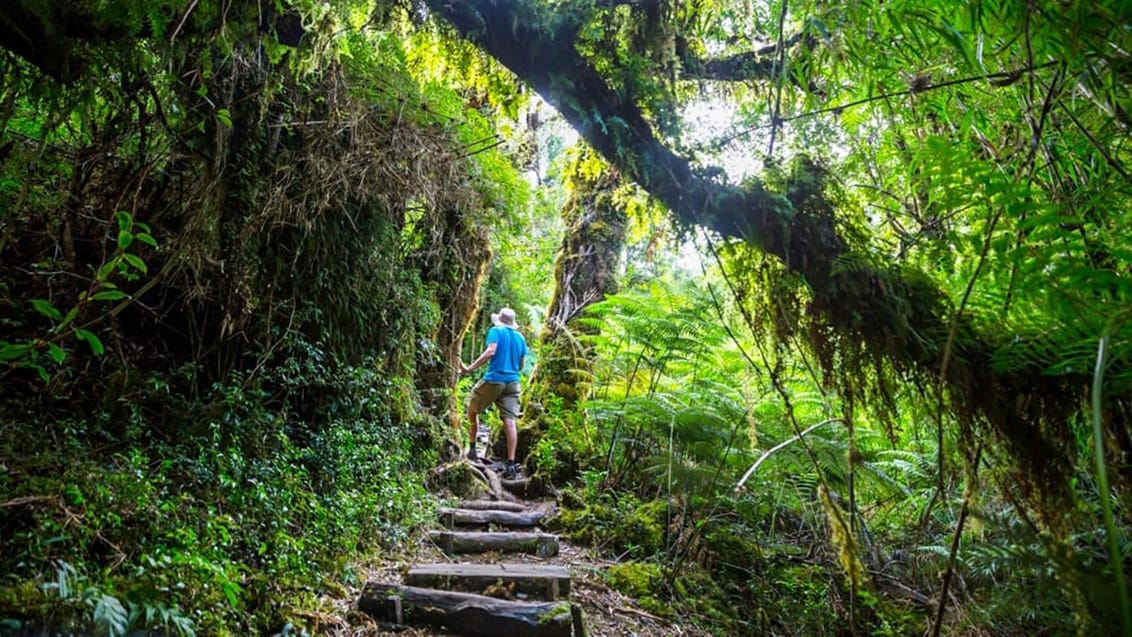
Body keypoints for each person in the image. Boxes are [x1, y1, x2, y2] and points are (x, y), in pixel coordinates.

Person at [459, 307, 527, 479]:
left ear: (500, 320)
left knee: (472, 409)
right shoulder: (520, 338)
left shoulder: (496, 331)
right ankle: (510, 465)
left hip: (494, 379)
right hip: (513, 383)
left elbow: (491, 351)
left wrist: (469, 368)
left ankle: (472, 449)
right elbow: (521, 365)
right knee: (510, 422)